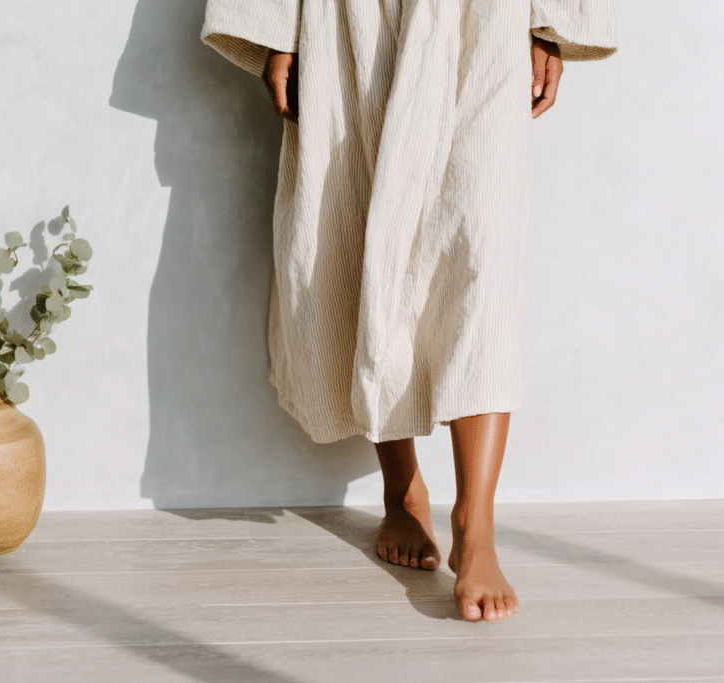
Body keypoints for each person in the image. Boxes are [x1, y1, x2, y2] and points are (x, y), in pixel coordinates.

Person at [201, 0, 617, 622]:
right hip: (350, 18)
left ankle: (475, 524)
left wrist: (549, 24)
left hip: (484, 21)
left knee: (482, 259)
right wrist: (277, 26)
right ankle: (402, 492)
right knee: (360, 227)